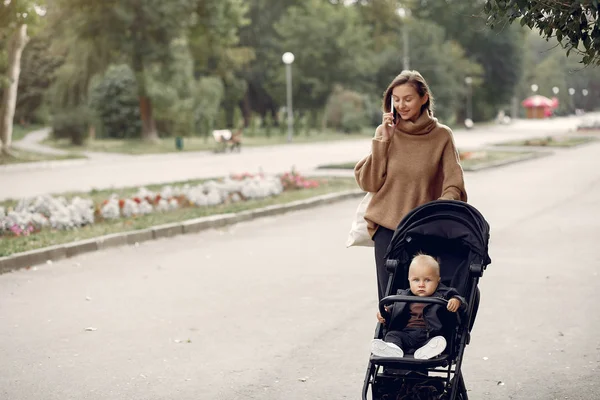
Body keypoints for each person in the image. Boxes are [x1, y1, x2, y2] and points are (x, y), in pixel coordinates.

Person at [354, 70, 467, 301]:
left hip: (426, 230)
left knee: (423, 301)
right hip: (387, 229)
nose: (401, 105)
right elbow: (369, 182)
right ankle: (389, 338)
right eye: (396, 99)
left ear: (424, 98)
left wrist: (439, 209)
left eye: (408, 99)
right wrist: (383, 140)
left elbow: (454, 184)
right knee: (390, 301)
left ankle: (428, 339)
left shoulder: (441, 136)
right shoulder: (385, 132)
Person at [371, 254, 465, 359]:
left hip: (429, 335)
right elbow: (395, 309)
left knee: (438, 340)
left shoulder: (444, 294)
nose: (421, 284)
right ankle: (394, 349)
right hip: (407, 334)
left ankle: (428, 351)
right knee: (392, 335)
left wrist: (456, 301)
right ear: (409, 280)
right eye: (416, 280)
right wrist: (385, 313)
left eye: (427, 280)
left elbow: (461, 302)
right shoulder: (404, 296)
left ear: (438, 280)